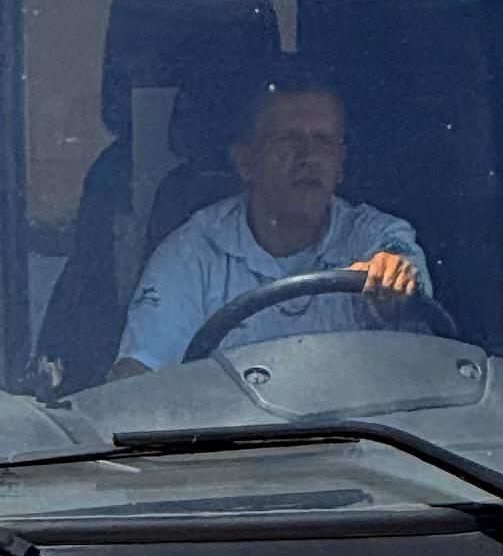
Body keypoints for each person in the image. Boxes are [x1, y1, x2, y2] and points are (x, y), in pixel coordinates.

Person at [114, 76, 435, 373]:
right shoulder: (192, 253)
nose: (309, 157)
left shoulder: (374, 235)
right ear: (246, 162)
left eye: (323, 141)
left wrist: (393, 284)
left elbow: (403, 267)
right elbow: (139, 378)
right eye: (289, 140)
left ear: (340, 165)